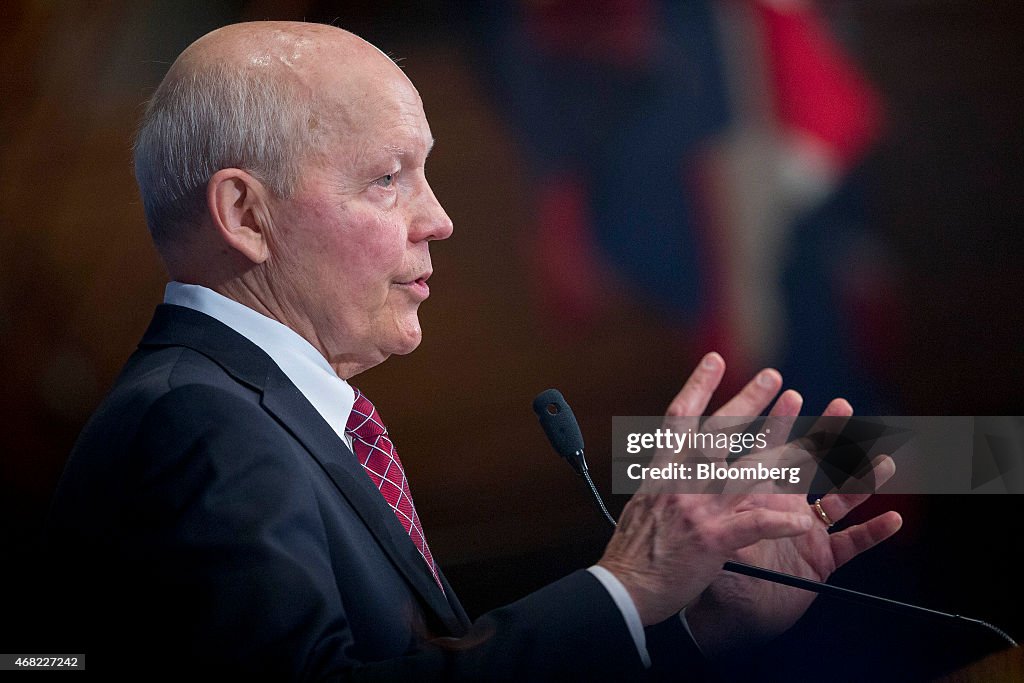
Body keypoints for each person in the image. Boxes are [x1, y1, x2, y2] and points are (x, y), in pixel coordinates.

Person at [45, 21, 902, 680]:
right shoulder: (196, 423)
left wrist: (683, 621)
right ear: (245, 215)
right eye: (388, 178)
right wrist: (629, 583)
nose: (438, 218)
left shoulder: (249, 413)